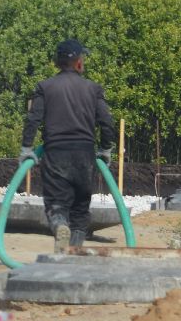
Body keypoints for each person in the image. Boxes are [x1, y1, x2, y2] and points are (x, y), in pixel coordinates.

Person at [20, 38, 116, 250]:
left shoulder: (45, 86)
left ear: (57, 62)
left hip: (56, 153)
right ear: (79, 63)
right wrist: (106, 149)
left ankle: (60, 224)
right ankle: (73, 251)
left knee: (57, 203)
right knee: (80, 209)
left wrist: (27, 148)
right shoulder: (93, 88)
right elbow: (107, 122)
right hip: (85, 155)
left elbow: (33, 119)